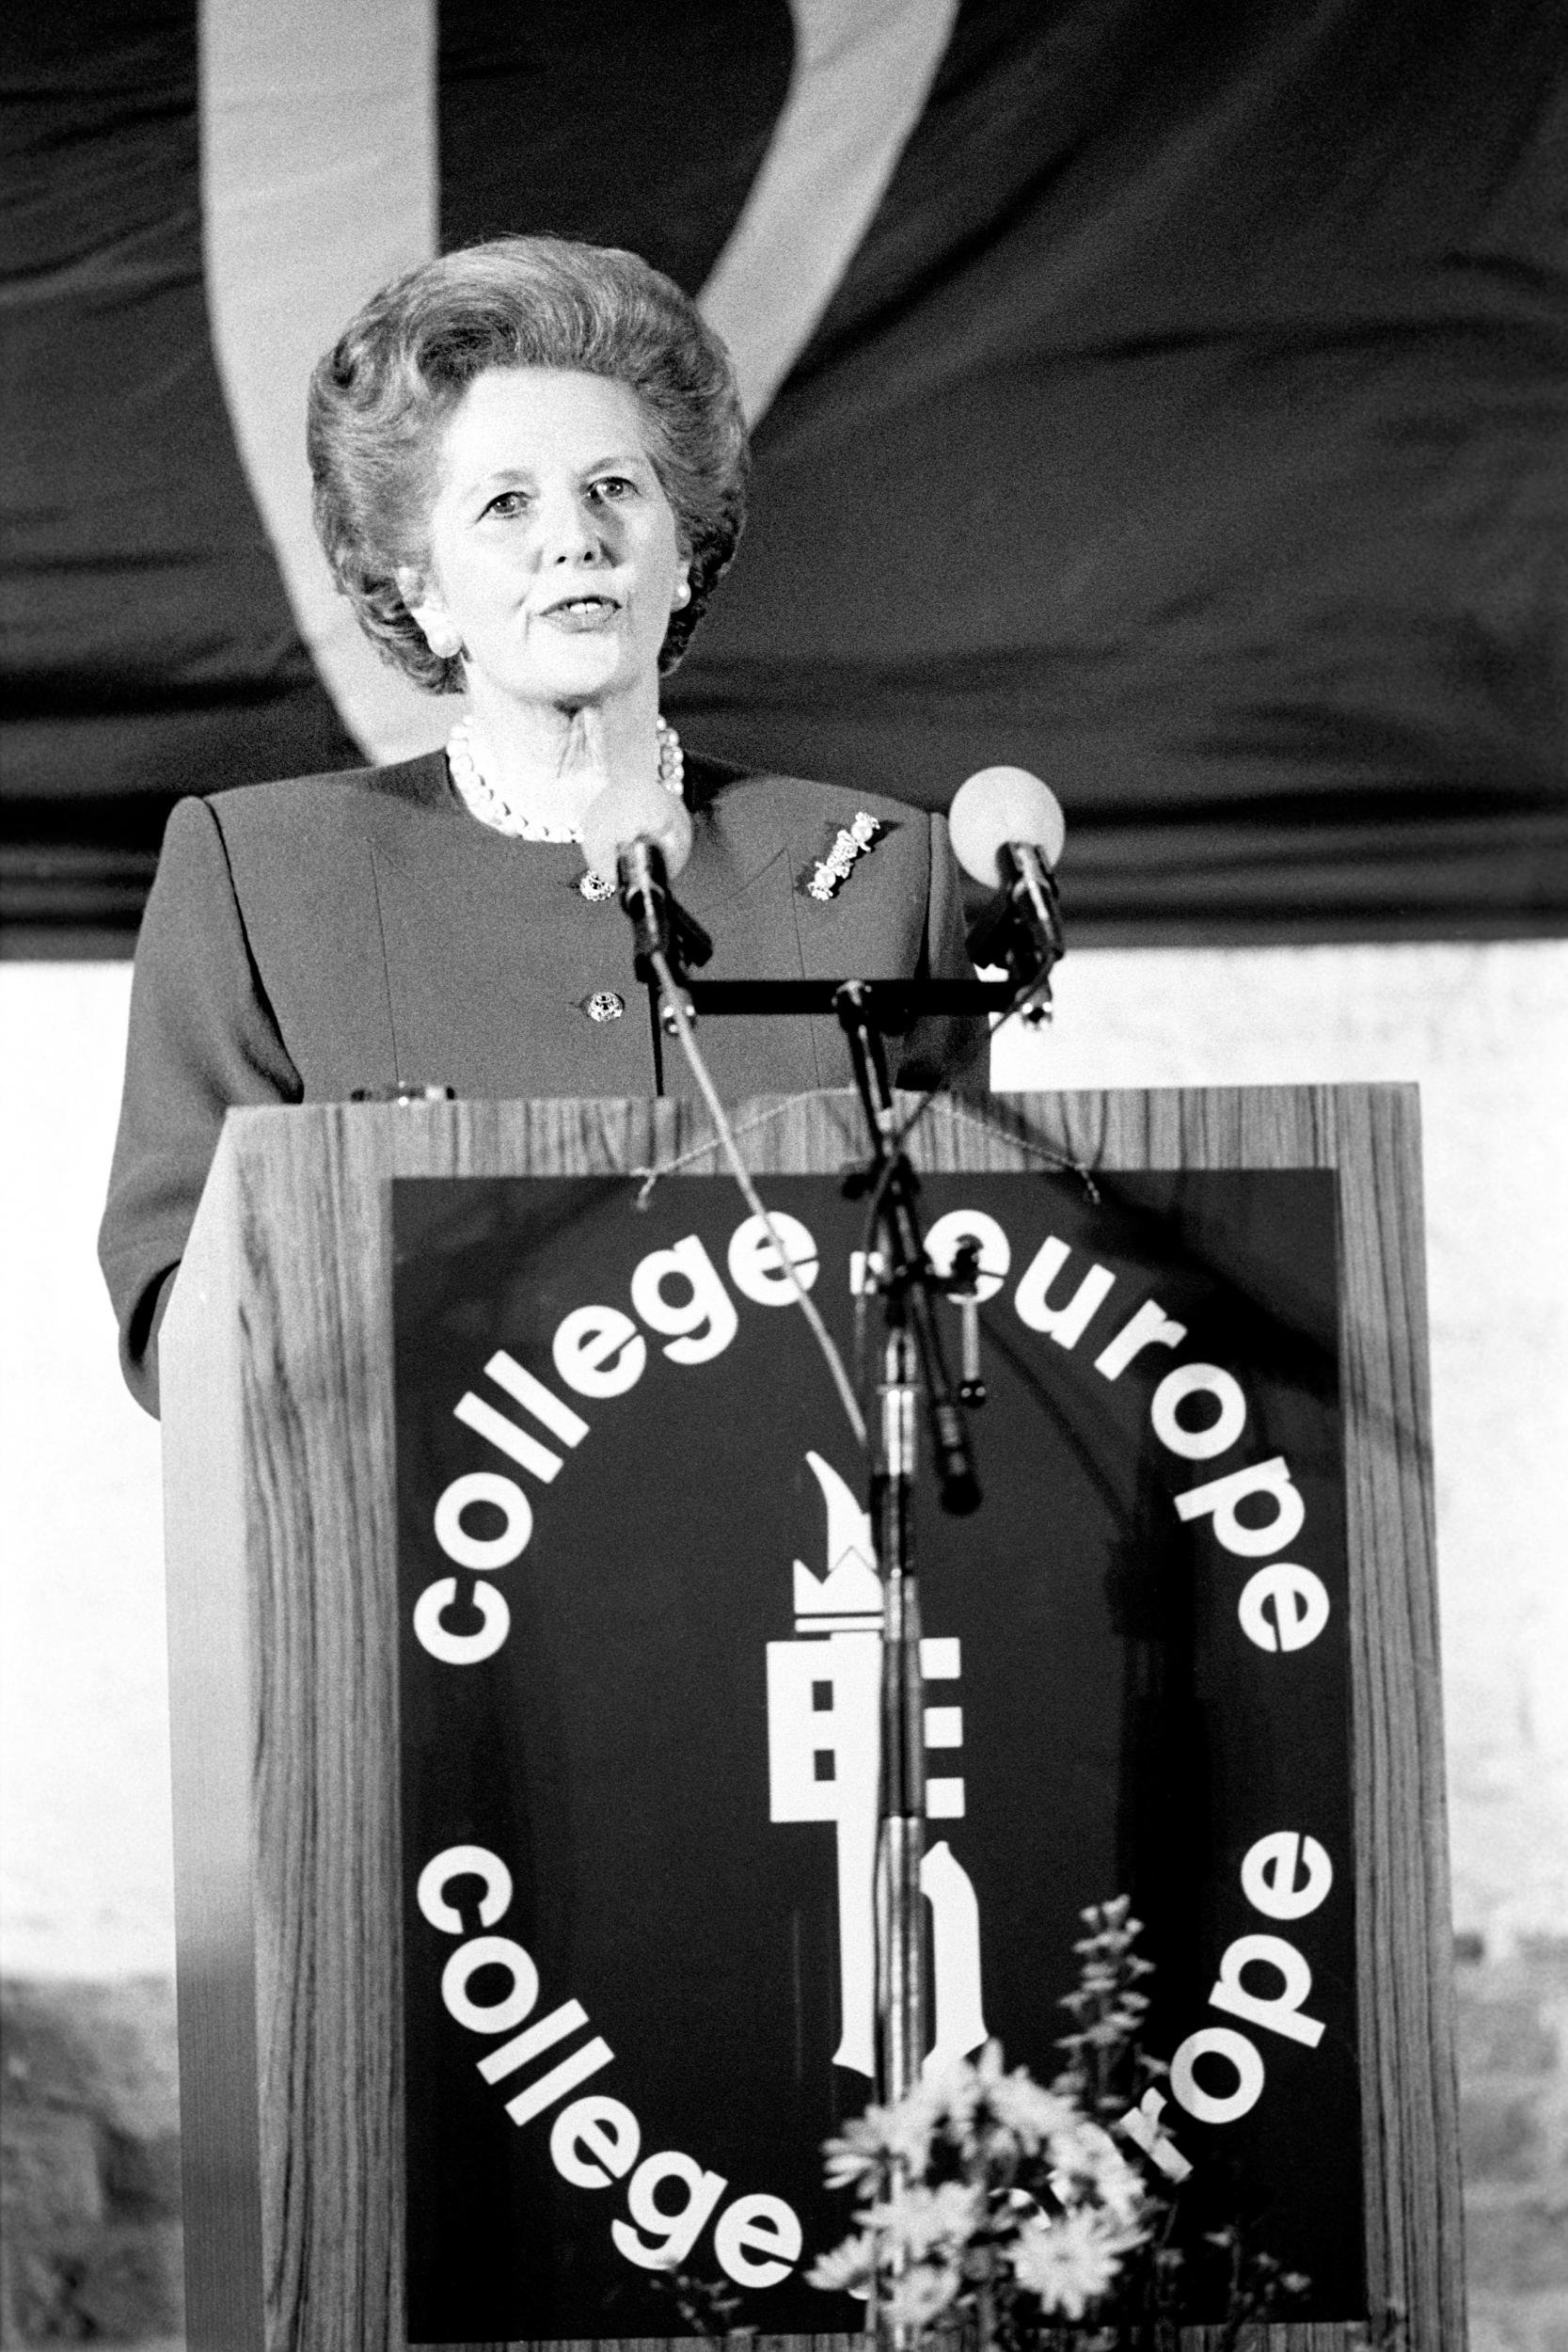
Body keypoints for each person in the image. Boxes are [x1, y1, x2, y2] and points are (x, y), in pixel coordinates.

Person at [99, 235, 988, 1416]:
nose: (572, 537)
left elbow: (981, 1268)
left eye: (613, 489)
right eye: (508, 503)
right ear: (419, 586)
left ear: (681, 556)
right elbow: (179, 1329)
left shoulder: (880, 876)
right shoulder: (259, 877)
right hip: (431, 1544)